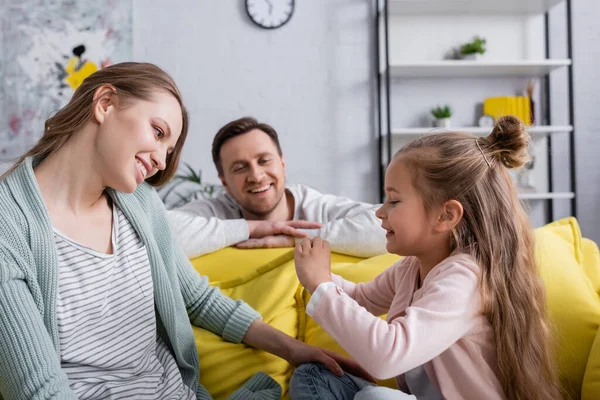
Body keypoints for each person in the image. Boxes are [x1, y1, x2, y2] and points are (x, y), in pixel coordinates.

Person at [0, 62, 371, 400]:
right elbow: (39, 392)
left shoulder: (140, 204)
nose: (161, 161)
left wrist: (293, 349)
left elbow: (196, 299)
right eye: (158, 132)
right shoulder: (9, 223)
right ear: (105, 103)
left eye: (169, 149)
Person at [289, 116, 562, 400]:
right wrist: (319, 276)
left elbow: (386, 357)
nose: (380, 212)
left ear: (445, 215)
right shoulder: (412, 267)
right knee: (314, 374)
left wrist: (322, 286)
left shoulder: (465, 279)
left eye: (394, 200)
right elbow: (360, 299)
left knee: (375, 398)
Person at [167, 117, 386, 259]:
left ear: (282, 164)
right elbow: (159, 234)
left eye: (264, 161)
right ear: (224, 182)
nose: (256, 176)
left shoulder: (316, 208)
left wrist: (297, 238)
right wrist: (249, 229)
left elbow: (389, 226)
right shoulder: (215, 211)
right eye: (240, 168)